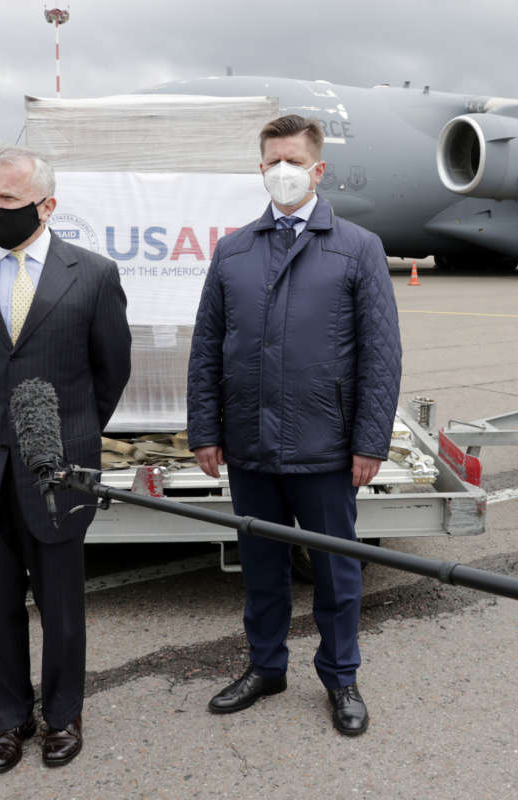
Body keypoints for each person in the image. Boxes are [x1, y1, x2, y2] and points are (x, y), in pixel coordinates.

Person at [187, 114, 402, 736]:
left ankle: (341, 677)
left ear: (317, 169)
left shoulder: (357, 247)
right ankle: (266, 667)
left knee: (337, 574)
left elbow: (381, 354)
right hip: (251, 445)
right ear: (260, 168)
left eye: (293, 161)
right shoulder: (233, 250)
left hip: (327, 447)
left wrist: (369, 441)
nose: (282, 172)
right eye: (271, 161)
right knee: (261, 570)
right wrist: (205, 429)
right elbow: (206, 348)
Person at [0, 146, 131, 773]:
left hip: (59, 466)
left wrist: (71, 433)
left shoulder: (93, 274)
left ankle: (64, 716)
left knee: (61, 601)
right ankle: (8, 719)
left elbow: (111, 370)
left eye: (7, 199)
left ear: (46, 205)